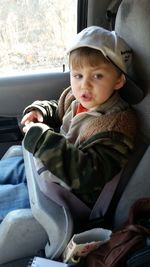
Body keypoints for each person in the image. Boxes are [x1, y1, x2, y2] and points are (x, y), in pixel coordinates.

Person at [0, 26, 143, 221]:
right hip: (46, 171)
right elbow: (58, 110)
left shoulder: (115, 127)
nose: (84, 85)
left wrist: (43, 141)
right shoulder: (78, 99)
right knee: (5, 168)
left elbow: (86, 176)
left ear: (118, 80)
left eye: (97, 76)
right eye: (78, 75)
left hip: (60, 197)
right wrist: (40, 112)